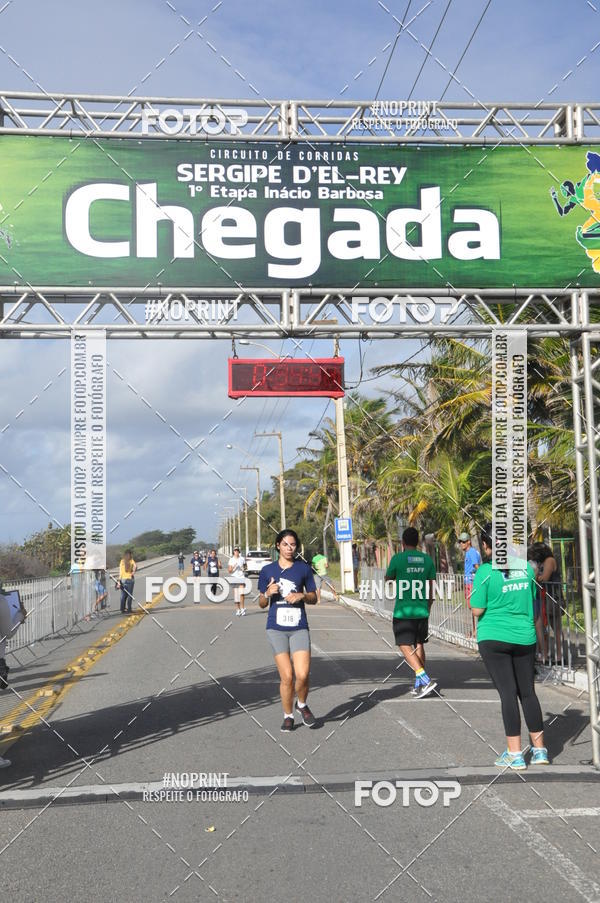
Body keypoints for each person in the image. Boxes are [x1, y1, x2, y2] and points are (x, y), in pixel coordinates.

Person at [470, 525, 549, 769]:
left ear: (486, 546)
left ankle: (515, 753)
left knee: (507, 693)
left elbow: (477, 610)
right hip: (524, 637)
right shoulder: (526, 568)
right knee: (527, 692)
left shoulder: (485, 572)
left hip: (494, 637)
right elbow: (532, 605)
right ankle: (540, 751)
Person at [258, 529, 318, 731]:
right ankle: (288, 716)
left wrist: (302, 596)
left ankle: (301, 704)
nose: (289, 548)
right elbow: (261, 604)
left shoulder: (303, 569)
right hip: (276, 629)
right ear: (278, 546)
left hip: (299, 627)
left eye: (293, 545)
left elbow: (313, 598)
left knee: (303, 674)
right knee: (287, 677)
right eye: (285, 544)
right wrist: (267, 593)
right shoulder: (267, 570)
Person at [386, 527, 438, 698]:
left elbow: (388, 578)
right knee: (419, 644)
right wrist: (429, 605)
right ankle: (419, 684)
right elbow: (432, 587)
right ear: (417, 542)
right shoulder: (427, 560)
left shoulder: (398, 559)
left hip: (404, 611)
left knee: (403, 644)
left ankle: (425, 679)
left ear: (403, 542)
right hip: (422, 609)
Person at [533, 542, 564, 664]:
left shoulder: (549, 560)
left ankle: (559, 656)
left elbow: (544, 578)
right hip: (544, 598)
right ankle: (545, 654)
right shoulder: (543, 562)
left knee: (556, 628)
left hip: (553, 598)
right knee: (542, 627)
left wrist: (534, 575)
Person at [459, 532, 481, 637]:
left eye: (463, 542)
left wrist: (480, 578)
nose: (461, 544)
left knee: (473, 607)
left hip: (471, 583)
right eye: (460, 542)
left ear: (469, 542)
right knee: (470, 608)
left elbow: (477, 567)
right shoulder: (469, 552)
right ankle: (473, 629)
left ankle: (476, 630)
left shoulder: (471, 552)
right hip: (468, 583)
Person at [228, 547, 247, 616]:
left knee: (241, 593)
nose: (236, 552)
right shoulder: (231, 560)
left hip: (241, 577)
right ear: (233, 552)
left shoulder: (242, 559)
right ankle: (238, 609)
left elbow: (246, 567)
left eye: (237, 551)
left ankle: (242, 608)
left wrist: (243, 568)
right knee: (236, 595)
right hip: (234, 577)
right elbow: (229, 571)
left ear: (239, 552)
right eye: (235, 551)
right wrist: (234, 567)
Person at [118, 549, 137, 614]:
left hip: (123, 580)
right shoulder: (131, 560)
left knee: (123, 595)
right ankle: (129, 609)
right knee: (129, 595)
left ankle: (122, 609)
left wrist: (119, 580)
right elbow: (135, 566)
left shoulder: (122, 561)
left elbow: (120, 572)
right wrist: (133, 572)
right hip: (129, 579)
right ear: (130, 554)